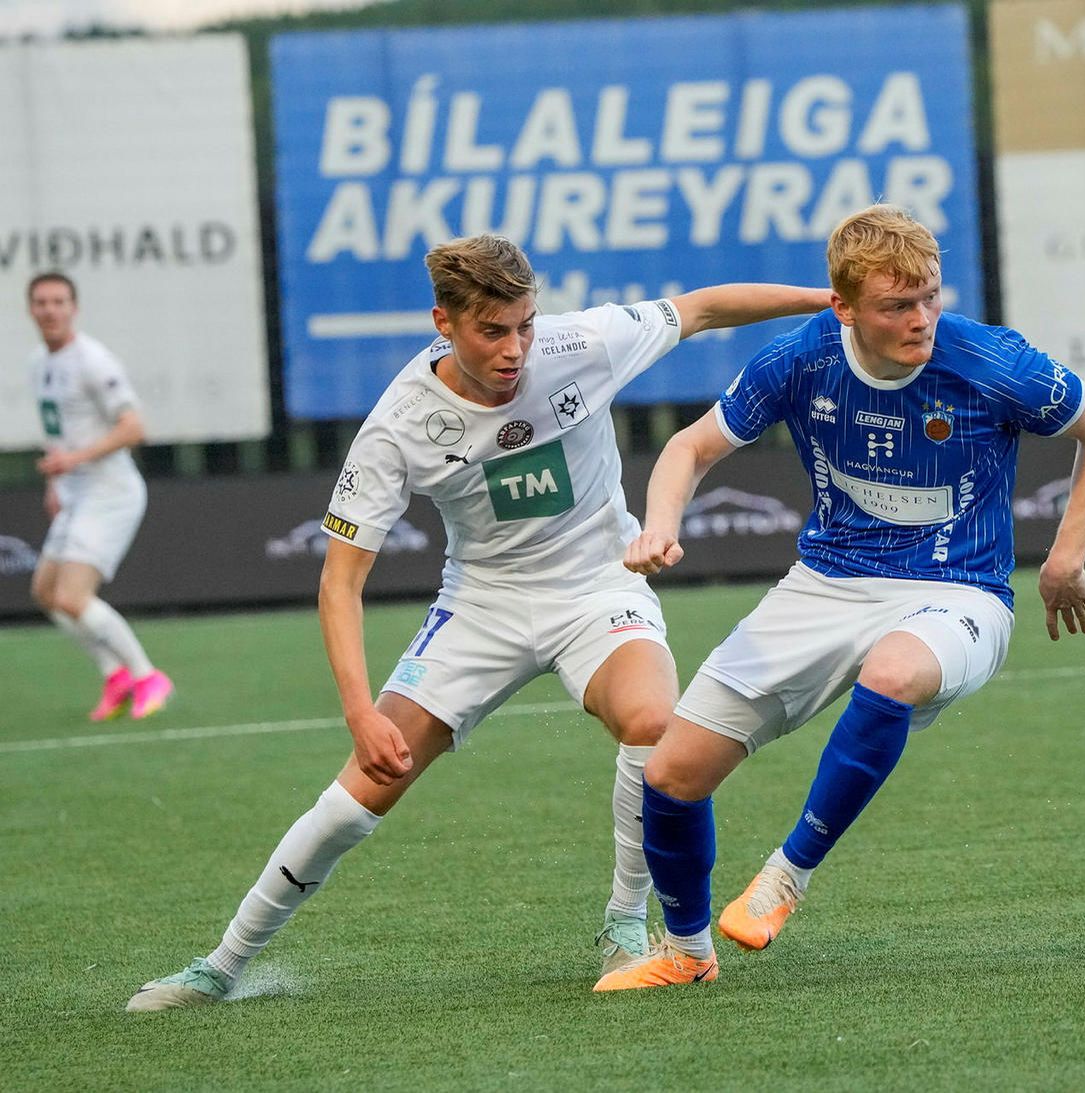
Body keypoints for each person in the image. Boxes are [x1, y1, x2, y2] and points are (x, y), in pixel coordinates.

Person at [127, 234, 831, 1010]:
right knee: (362, 788)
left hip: (597, 587)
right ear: (445, 323)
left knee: (652, 721)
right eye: (492, 330)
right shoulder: (397, 423)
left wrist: (828, 301)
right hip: (480, 605)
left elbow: (701, 309)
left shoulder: (580, 343)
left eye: (524, 324)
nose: (515, 348)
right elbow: (339, 583)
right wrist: (360, 712)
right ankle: (221, 964)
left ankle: (626, 922)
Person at [594, 205, 1085, 991]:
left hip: (959, 590)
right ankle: (687, 952)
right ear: (843, 307)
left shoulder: (988, 360)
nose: (921, 321)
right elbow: (689, 446)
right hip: (826, 583)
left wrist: (1065, 558)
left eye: (930, 299)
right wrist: (661, 524)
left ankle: (785, 876)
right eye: (896, 306)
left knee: (893, 671)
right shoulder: (803, 358)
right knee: (670, 773)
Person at [26, 272, 173, 722]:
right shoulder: (39, 362)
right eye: (41, 302)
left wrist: (74, 461)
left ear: (74, 308)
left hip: (110, 493)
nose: (50, 309)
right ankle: (116, 676)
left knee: (72, 596)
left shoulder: (93, 360)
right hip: (76, 494)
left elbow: (134, 428)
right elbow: (59, 435)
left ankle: (148, 675)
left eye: (59, 301)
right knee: (46, 592)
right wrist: (58, 481)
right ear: (30, 310)